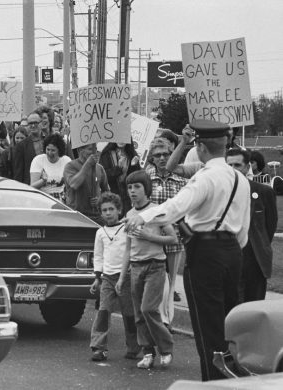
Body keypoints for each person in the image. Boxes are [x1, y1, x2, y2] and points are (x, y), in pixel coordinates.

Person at [123, 119, 251, 381]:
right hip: (233, 252)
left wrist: (143, 217)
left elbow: (176, 206)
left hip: (206, 252)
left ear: (201, 147)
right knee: (226, 320)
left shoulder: (206, 176)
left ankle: (214, 381)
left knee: (207, 325)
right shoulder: (239, 178)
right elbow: (243, 231)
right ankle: (230, 374)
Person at [116, 171, 177, 370]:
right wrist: (121, 275)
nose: (132, 191)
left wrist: (148, 235)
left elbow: (172, 239)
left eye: (137, 187)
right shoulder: (130, 215)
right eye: (129, 187)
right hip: (135, 267)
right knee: (139, 314)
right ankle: (148, 352)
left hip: (155, 266)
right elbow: (128, 248)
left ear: (146, 189)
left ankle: (166, 348)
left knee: (148, 308)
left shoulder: (156, 211)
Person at [89, 192, 140, 362]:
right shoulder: (100, 232)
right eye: (104, 210)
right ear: (100, 213)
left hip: (125, 277)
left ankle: (134, 346)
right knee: (103, 312)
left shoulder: (125, 228)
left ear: (119, 210)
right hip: (107, 278)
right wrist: (97, 277)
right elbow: (98, 256)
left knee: (129, 314)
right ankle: (99, 347)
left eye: (111, 209)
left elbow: (131, 251)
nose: (108, 213)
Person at [226, 148, 277, 302]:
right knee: (229, 311)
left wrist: (259, 246)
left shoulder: (264, 192)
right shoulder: (219, 192)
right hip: (227, 259)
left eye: (237, 165)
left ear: (247, 167)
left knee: (253, 310)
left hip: (255, 261)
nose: (233, 170)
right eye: (229, 166)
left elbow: (270, 227)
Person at [146, 138, 187, 330]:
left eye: (166, 154)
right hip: (153, 237)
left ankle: (168, 318)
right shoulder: (146, 178)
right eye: (158, 155)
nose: (162, 158)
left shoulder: (181, 180)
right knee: (159, 279)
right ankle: (159, 317)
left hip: (175, 236)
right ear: (152, 158)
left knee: (171, 282)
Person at [63, 143, 109, 225]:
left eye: (96, 149)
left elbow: (107, 192)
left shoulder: (99, 168)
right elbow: (74, 184)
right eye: (90, 149)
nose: (94, 152)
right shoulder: (70, 166)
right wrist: (87, 164)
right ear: (80, 150)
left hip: (97, 217)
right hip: (76, 216)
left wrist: (100, 200)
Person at [99, 142, 140, 216]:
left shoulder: (132, 154)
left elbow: (136, 178)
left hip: (127, 197)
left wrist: (134, 166)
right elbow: (103, 176)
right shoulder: (107, 154)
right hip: (111, 195)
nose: (121, 141)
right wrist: (118, 169)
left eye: (123, 138)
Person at [30, 133, 71, 202]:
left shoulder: (66, 160)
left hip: (62, 202)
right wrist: (43, 181)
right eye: (48, 149)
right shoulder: (38, 160)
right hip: (43, 202)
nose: (49, 153)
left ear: (59, 150)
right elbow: (31, 187)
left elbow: (71, 184)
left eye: (53, 150)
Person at [13, 112, 44, 184]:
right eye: (30, 123)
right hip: (30, 186)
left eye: (35, 123)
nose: (33, 125)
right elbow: (18, 173)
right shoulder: (21, 146)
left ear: (41, 123)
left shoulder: (48, 141)